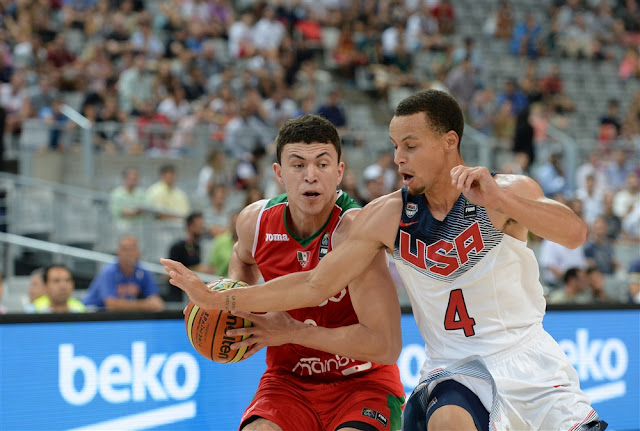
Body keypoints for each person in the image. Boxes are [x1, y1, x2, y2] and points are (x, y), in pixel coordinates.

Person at [163, 90, 606, 431]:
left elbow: (574, 234)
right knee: (450, 419)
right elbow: (315, 283)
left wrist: (501, 198)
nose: (398, 157)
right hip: (455, 367)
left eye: (410, 145)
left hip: (527, 356)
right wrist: (224, 301)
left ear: (449, 143)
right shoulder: (385, 216)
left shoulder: (508, 191)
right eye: (395, 145)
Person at [195, 114, 406, 430]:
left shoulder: (354, 230)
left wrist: (290, 331)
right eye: (297, 165)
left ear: (339, 172)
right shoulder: (255, 222)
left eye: (322, 164)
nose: (310, 176)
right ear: (279, 173)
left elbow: (385, 347)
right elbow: (242, 257)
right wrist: (235, 309)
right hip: (288, 382)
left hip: (362, 382)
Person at [83, 236, 165, 311]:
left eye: (132, 249)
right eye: (125, 249)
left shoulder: (143, 271)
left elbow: (156, 301)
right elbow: (111, 304)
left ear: (138, 252)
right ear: (118, 253)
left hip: (120, 317)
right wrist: (145, 305)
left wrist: (153, 303)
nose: (128, 253)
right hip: (93, 313)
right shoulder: (109, 271)